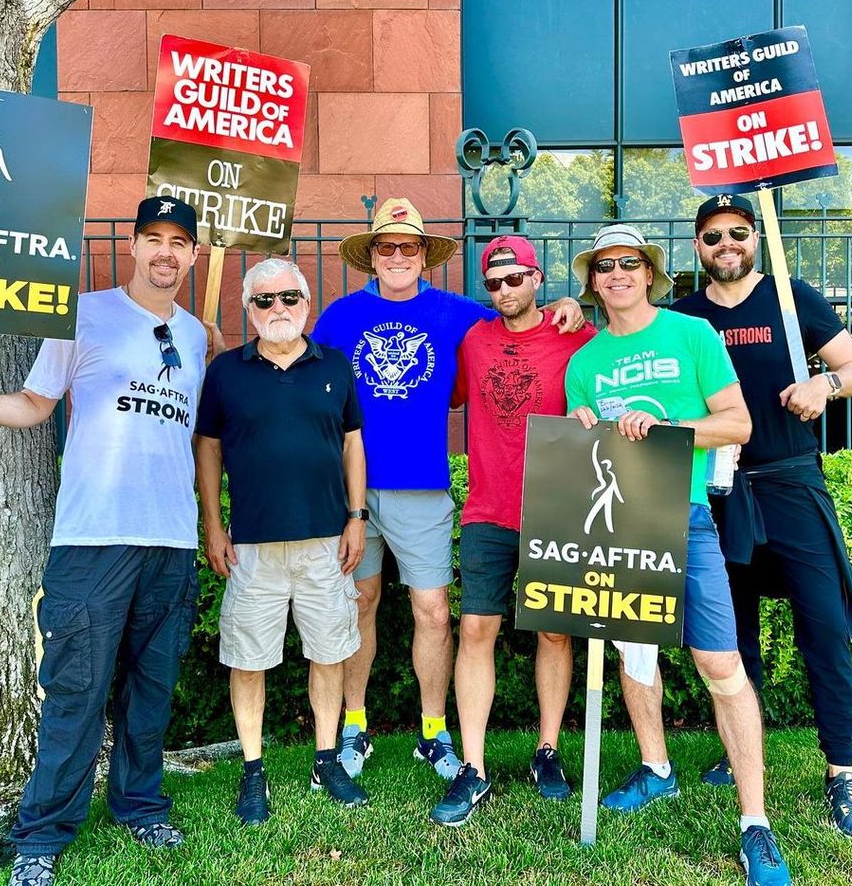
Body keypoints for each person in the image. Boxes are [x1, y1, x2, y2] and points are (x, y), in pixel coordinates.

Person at [0, 197, 222, 886]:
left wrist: (214, 340)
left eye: (178, 243)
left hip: (170, 539)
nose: (165, 252)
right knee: (75, 689)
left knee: (151, 688)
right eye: (152, 239)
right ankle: (43, 832)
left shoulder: (194, 334)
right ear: (132, 246)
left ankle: (139, 804)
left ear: (194, 255)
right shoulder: (84, 314)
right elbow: (36, 404)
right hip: (93, 536)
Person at [311, 198, 585, 782]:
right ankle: (354, 725)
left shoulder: (459, 314)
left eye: (410, 247)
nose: (399, 257)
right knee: (360, 605)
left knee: (434, 612)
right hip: (350, 489)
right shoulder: (338, 316)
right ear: (372, 257)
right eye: (387, 248)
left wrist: (569, 304)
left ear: (424, 257)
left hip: (421, 488)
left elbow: (520, 316)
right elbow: (305, 379)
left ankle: (432, 732)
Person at [565, 223, 791, 886]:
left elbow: (737, 422)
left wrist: (667, 431)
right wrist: (588, 435)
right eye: (604, 266)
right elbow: (585, 452)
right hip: (621, 525)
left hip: (687, 518)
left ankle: (756, 824)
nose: (617, 274)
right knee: (634, 659)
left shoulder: (691, 335)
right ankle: (656, 769)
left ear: (649, 272)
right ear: (593, 281)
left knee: (719, 663)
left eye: (629, 262)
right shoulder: (585, 363)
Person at [674, 193, 852, 837]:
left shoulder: (794, 300)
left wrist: (825, 384)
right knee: (736, 638)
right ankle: (740, 757)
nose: (725, 244)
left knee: (822, 627)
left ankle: (842, 771)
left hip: (791, 483)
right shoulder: (685, 317)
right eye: (712, 237)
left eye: (737, 232)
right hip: (719, 491)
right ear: (697, 247)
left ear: (755, 237)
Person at [195, 258, 369, 826]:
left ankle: (325, 758)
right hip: (252, 547)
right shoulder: (226, 373)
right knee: (248, 660)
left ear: (307, 304)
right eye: (264, 300)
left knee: (330, 653)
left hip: (325, 541)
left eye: (289, 298)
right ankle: (253, 769)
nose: (278, 310)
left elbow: (351, 444)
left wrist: (357, 516)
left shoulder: (336, 367)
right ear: (247, 309)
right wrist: (214, 525)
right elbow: (209, 451)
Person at [429, 236, 595, 825]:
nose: (505, 290)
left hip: (555, 506)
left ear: (536, 277)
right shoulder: (475, 340)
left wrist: (580, 303)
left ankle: (546, 751)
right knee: (475, 627)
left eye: (515, 278)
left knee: (554, 633)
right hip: (487, 507)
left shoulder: (574, 333)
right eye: (494, 282)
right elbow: (444, 396)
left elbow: (619, 366)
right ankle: (473, 769)